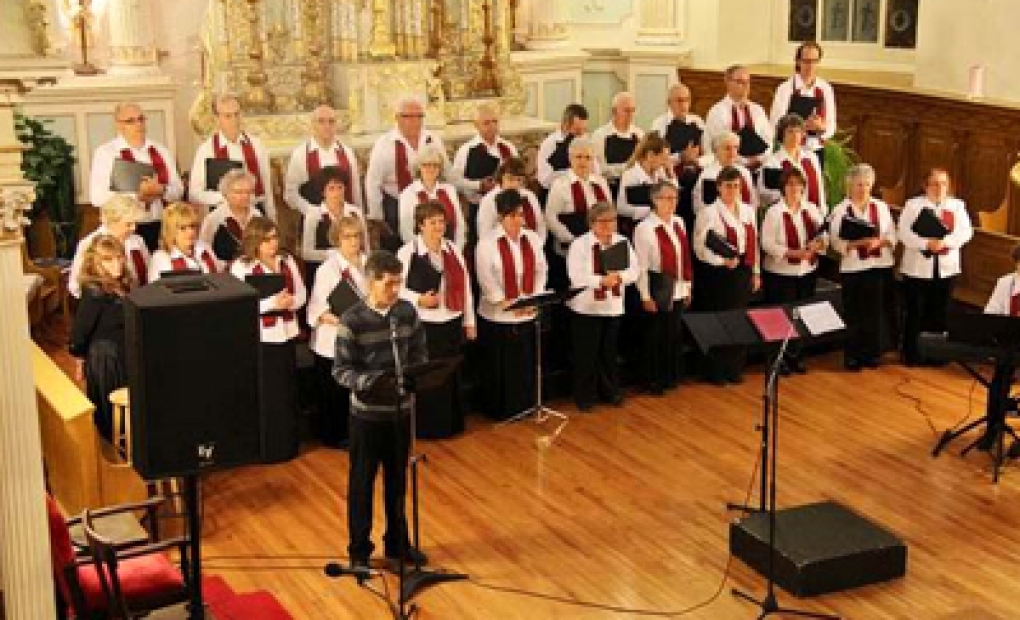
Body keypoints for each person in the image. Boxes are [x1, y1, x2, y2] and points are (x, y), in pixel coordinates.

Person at [333, 250, 429, 571]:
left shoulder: (406, 312)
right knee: (362, 484)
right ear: (371, 282)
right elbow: (341, 371)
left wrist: (415, 376)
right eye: (389, 284)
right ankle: (359, 551)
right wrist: (373, 382)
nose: (395, 290)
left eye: (399, 283)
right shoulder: (352, 320)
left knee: (397, 482)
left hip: (400, 412)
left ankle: (397, 543)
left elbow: (419, 353)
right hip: (367, 415)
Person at [230, 217, 307, 463]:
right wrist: (272, 303)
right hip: (263, 337)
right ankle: (267, 449)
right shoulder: (242, 267)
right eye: (266, 239)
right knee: (268, 393)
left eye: (274, 237)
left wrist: (290, 302)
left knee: (286, 391)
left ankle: (288, 445)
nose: (273, 243)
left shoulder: (286, 261)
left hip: (287, 332)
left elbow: (301, 292)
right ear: (255, 242)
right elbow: (241, 304)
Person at [396, 202, 476, 438]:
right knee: (428, 376)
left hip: (450, 319)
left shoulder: (452, 249)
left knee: (450, 373)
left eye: (441, 222)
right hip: (424, 324)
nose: (439, 227)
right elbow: (395, 289)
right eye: (433, 222)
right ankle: (428, 427)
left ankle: (451, 423)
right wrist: (418, 299)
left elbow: (466, 287)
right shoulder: (407, 252)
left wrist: (469, 321)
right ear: (420, 225)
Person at [475, 189, 549, 420]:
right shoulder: (487, 243)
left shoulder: (532, 239)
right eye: (512, 216)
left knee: (523, 364)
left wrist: (532, 299)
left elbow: (541, 270)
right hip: (498, 315)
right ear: (501, 217)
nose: (518, 220)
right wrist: (509, 303)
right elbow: (486, 279)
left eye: (520, 215)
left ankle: (524, 406)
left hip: (526, 310)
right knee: (502, 367)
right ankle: (501, 410)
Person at [566, 202, 639, 411]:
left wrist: (620, 277)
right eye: (603, 221)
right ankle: (585, 397)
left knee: (609, 353)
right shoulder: (580, 244)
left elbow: (634, 270)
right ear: (592, 223)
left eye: (612, 221)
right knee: (587, 355)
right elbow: (576, 276)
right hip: (587, 308)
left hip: (612, 306)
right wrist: (600, 281)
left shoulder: (622, 242)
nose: (608, 225)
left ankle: (610, 392)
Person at [898, 168, 973, 366]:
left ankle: (937, 355)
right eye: (934, 184)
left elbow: (966, 232)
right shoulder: (913, 205)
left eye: (943, 184)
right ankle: (913, 354)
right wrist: (926, 243)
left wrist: (944, 242)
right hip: (917, 269)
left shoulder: (957, 206)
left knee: (940, 311)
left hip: (946, 268)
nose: (939, 188)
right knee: (916, 311)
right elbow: (903, 233)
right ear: (925, 186)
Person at [693, 166, 761, 384]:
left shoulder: (748, 211)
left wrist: (756, 272)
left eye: (736, 186)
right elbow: (700, 248)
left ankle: (734, 368)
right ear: (719, 187)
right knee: (720, 320)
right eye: (728, 186)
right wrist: (722, 261)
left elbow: (754, 243)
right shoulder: (708, 213)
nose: (732, 190)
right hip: (718, 274)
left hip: (742, 271)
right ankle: (716, 371)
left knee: (738, 320)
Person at [306, 216, 368, 449]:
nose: (353, 241)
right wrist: (343, 321)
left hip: (360, 337)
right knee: (335, 393)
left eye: (357, 236)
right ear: (337, 240)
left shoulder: (368, 263)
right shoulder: (328, 269)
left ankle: (358, 432)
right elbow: (318, 308)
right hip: (332, 339)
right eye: (347, 237)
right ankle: (335, 436)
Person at [89, 101, 184, 250]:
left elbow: (178, 190)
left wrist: (161, 190)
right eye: (131, 121)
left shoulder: (161, 151)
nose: (138, 124)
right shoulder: (106, 153)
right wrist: (137, 196)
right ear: (119, 125)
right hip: (125, 228)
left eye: (141, 119)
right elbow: (97, 197)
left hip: (161, 225)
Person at [829, 164, 897, 371]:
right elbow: (835, 242)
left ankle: (871, 353)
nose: (863, 189)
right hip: (853, 267)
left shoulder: (881, 207)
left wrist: (880, 242)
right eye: (859, 184)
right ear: (849, 186)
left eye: (867, 184)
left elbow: (892, 234)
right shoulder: (840, 210)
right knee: (854, 313)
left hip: (879, 265)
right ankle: (853, 355)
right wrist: (857, 243)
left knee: (874, 312)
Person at [760, 167, 827, 374]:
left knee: (801, 315)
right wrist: (792, 253)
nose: (794, 188)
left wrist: (818, 244)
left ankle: (796, 357)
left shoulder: (811, 209)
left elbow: (824, 235)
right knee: (780, 318)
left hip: (806, 272)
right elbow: (767, 243)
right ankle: (778, 360)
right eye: (790, 184)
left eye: (798, 184)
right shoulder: (774, 212)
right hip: (780, 274)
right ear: (783, 187)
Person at [69, 234, 132, 441]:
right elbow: (81, 330)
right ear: (95, 263)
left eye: (119, 257)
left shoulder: (121, 284)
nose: (116, 264)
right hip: (105, 357)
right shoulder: (94, 292)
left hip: (120, 351)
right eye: (108, 260)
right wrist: (79, 360)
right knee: (110, 410)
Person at [632, 181, 692, 394]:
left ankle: (670, 377)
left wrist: (687, 286)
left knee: (673, 334)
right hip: (657, 286)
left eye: (674, 198)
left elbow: (684, 256)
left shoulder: (679, 222)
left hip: (677, 286)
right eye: (666, 198)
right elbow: (641, 265)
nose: (671, 203)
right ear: (654, 200)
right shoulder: (645, 228)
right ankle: (653, 380)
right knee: (655, 335)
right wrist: (645, 295)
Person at [365, 97, 447, 251]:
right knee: (398, 246)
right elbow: (373, 182)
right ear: (397, 118)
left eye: (419, 116)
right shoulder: (384, 144)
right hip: (395, 203)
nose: (415, 121)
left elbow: (446, 171)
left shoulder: (432, 139)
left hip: (429, 201)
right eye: (408, 116)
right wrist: (377, 217)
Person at [189, 93, 276, 220]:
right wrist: (225, 197)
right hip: (223, 215)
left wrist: (272, 217)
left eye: (237, 114)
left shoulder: (256, 145)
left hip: (256, 213)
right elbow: (194, 193)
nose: (234, 120)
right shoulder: (207, 150)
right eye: (228, 116)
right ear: (217, 118)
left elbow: (267, 187)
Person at [545, 137, 612, 284]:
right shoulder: (560, 185)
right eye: (579, 157)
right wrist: (571, 239)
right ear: (570, 158)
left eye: (588, 157)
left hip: (600, 246)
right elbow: (551, 217)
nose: (583, 162)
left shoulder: (601, 182)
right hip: (571, 246)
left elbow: (609, 212)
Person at [284, 104, 362, 216]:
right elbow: (290, 193)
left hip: (345, 218)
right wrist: (311, 211)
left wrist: (358, 214)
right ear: (313, 125)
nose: (327, 126)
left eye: (331, 121)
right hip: (315, 218)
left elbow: (355, 189)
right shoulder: (300, 155)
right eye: (321, 121)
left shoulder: (347, 152)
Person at [69, 195, 150, 298]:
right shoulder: (89, 243)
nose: (134, 228)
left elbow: (148, 271)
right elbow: (75, 286)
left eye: (135, 223)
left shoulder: (137, 240)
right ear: (112, 221)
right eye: (128, 224)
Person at [650, 83, 705, 230]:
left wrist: (696, 160)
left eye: (687, 100)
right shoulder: (659, 124)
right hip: (671, 179)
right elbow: (655, 157)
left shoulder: (697, 122)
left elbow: (708, 153)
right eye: (679, 100)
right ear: (669, 103)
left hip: (695, 177)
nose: (684, 105)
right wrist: (681, 157)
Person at [981, 245, 1020, 452]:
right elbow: (991, 313)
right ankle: (993, 429)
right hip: (1008, 344)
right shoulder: (1006, 283)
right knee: (998, 382)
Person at [301, 166, 368, 285]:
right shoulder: (314, 215)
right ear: (323, 192)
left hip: (354, 267)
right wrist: (334, 254)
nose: (337, 193)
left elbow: (365, 245)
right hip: (325, 271)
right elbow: (306, 253)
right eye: (331, 188)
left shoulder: (355, 212)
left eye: (340, 187)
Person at [770, 41, 836, 156]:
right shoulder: (785, 89)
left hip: (816, 150)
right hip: (791, 149)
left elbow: (831, 124)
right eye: (806, 61)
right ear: (798, 61)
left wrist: (821, 128)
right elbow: (775, 123)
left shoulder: (825, 88)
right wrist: (801, 127)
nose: (811, 66)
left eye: (815, 61)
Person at [703, 65, 773, 171]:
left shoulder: (758, 110)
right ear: (727, 82)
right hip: (727, 169)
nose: (745, 86)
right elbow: (715, 146)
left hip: (758, 167)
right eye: (740, 82)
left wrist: (759, 159)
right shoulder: (717, 112)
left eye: (747, 82)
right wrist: (744, 162)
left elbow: (769, 140)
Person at [397, 145, 467, 250]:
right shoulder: (408, 194)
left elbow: (460, 225)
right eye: (426, 165)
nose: (431, 169)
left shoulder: (449, 190)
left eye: (435, 165)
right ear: (419, 167)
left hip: (451, 249)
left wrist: (456, 249)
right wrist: (429, 252)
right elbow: (406, 232)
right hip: (421, 252)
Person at [450, 102, 518, 207]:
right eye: (486, 123)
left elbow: (518, 174)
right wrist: (479, 185)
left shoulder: (509, 147)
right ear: (476, 125)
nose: (492, 126)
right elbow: (456, 181)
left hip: (508, 205)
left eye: (495, 121)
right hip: (478, 205)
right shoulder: (466, 150)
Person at [758, 114, 826, 212]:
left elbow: (820, 188)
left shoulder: (811, 158)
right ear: (781, 135)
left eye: (798, 131)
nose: (795, 135)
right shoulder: (772, 162)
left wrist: (822, 212)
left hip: (814, 215)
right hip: (787, 214)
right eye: (790, 131)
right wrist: (790, 194)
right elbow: (764, 194)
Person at [475, 157, 547, 246]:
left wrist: (538, 245)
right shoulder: (489, 201)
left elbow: (540, 225)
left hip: (532, 247)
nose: (515, 184)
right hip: (501, 250)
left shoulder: (530, 196)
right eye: (510, 179)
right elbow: (485, 235)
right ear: (501, 178)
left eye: (519, 180)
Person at [198, 169, 260, 263]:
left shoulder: (257, 214)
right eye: (239, 192)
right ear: (225, 194)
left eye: (249, 192)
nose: (245, 196)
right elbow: (203, 252)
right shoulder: (214, 219)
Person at [617, 131, 675, 229]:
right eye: (664, 158)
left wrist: (671, 173)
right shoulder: (631, 174)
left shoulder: (660, 172)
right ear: (650, 155)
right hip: (639, 224)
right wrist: (651, 211)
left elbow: (673, 195)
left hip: (659, 221)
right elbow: (621, 207)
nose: (665, 162)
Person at [148, 202, 221, 280]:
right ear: (170, 231)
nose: (191, 232)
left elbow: (220, 276)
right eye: (183, 228)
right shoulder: (161, 258)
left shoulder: (204, 248)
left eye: (192, 226)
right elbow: (157, 287)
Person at [536, 103, 599, 193]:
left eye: (584, 130)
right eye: (577, 130)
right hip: (556, 193)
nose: (581, 135)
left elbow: (596, 171)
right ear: (565, 125)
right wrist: (574, 173)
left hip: (584, 190)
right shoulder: (550, 144)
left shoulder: (585, 140)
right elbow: (545, 180)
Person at [592, 92, 644, 199]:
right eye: (627, 110)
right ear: (614, 111)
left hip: (635, 188)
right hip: (611, 189)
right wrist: (626, 167)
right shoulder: (600, 135)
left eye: (633, 110)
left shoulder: (639, 134)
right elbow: (599, 169)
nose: (631, 115)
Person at [692, 132, 757, 214]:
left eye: (735, 148)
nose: (732, 152)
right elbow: (703, 207)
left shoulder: (744, 172)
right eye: (727, 148)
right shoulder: (708, 175)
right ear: (716, 151)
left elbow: (753, 200)